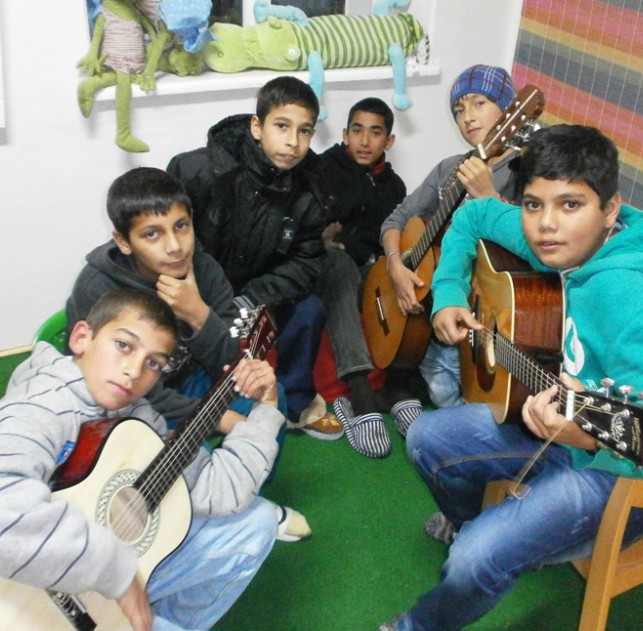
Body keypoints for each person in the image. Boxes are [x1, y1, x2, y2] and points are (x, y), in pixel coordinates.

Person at [345, 124, 643, 631]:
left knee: (475, 558)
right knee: (425, 437)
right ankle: (474, 522)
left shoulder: (629, 294)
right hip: (570, 414)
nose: (546, 224)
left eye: (570, 205)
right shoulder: (558, 240)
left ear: (609, 209)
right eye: (533, 204)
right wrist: (448, 294)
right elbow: (474, 216)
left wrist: (587, 429)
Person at [0, 289, 280, 631]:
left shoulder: (136, 417)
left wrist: (266, 410)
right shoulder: (40, 407)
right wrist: (118, 573)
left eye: (154, 363)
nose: (135, 371)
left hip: (96, 585)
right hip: (33, 618)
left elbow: (221, 489)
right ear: (82, 337)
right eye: (124, 345)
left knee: (256, 522)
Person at [65, 167, 310, 542]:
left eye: (181, 226)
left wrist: (198, 313)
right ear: (124, 241)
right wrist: (221, 419)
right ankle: (197, 506)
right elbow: (127, 392)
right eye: (152, 234)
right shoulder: (98, 288)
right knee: (166, 450)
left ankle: (246, 498)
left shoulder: (204, 269)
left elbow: (229, 362)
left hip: (186, 379)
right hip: (126, 402)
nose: (174, 246)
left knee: (266, 393)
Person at [167, 75, 341, 441]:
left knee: (309, 309)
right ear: (257, 127)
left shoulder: (313, 188)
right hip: (198, 290)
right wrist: (201, 296)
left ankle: (294, 406)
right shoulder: (198, 171)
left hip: (258, 293)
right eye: (282, 126)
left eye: (305, 131)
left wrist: (251, 298)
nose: (293, 142)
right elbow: (171, 239)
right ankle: (187, 403)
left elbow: (306, 261)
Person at [379, 63, 519, 415]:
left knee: (478, 407)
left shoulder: (525, 168)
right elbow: (396, 220)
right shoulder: (449, 168)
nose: (467, 117)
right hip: (437, 310)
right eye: (458, 109)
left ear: (509, 110)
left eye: (479, 103)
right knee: (443, 393)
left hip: (489, 316)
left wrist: (489, 197)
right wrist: (396, 266)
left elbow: (532, 241)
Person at [317, 97, 407, 458]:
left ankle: (400, 382)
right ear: (344, 134)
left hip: (363, 266)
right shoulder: (322, 168)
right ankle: (359, 388)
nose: (365, 141)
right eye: (357, 131)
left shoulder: (394, 186)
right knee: (338, 263)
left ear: (389, 140)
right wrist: (326, 240)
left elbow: (383, 240)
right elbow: (311, 227)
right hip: (323, 268)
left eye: (375, 133)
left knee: (398, 271)